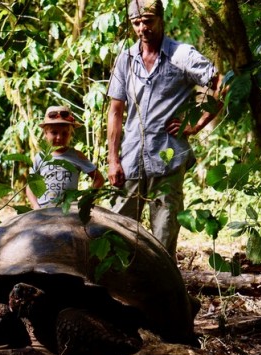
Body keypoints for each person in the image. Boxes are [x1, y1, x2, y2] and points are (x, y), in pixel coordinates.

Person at [106, 0, 222, 257]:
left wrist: (197, 124)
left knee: (163, 235)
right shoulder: (126, 59)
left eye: (148, 21)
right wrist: (113, 159)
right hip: (131, 160)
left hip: (167, 159)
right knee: (115, 231)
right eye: (136, 23)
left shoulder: (181, 55)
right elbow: (115, 111)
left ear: (160, 19)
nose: (142, 28)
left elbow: (220, 83)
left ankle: (161, 293)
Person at [26, 106, 104, 209]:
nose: (59, 137)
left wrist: (85, 200)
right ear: (45, 133)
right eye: (54, 132)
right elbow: (30, 185)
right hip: (44, 209)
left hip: (68, 209)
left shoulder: (77, 155)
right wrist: (36, 206)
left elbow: (98, 179)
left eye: (65, 133)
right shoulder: (40, 157)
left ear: (71, 134)